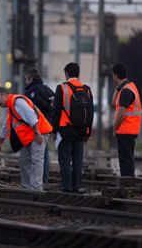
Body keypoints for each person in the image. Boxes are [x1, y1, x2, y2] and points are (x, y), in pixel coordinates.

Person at [0, 87, 53, 191]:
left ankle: (36, 188)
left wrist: (37, 133)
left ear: (4, 95)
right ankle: (26, 186)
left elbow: (32, 118)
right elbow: (5, 127)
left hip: (39, 133)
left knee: (36, 160)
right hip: (30, 136)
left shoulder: (18, 102)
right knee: (24, 160)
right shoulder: (11, 107)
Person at [51, 63, 93, 193]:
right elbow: (91, 112)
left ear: (67, 73)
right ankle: (76, 186)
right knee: (77, 161)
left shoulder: (62, 88)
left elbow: (56, 111)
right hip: (81, 131)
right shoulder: (86, 89)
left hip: (66, 130)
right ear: (78, 74)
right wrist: (88, 132)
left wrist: (54, 130)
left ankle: (67, 187)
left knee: (65, 160)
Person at [24, 68, 55, 185]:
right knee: (44, 153)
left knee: (35, 157)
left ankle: (37, 182)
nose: (25, 82)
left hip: (36, 128)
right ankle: (44, 179)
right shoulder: (48, 90)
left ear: (31, 79)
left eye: (26, 79)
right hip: (48, 127)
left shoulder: (30, 93)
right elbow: (55, 107)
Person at [112, 63, 142, 178]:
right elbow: (114, 103)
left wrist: (115, 128)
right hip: (130, 129)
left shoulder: (126, 91)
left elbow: (121, 114)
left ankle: (128, 183)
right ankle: (129, 183)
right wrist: (118, 87)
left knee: (125, 160)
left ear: (115, 76)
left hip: (126, 129)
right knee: (127, 158)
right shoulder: (127, 88)